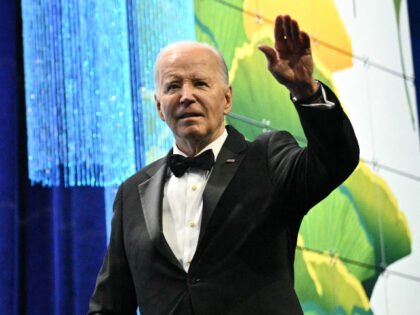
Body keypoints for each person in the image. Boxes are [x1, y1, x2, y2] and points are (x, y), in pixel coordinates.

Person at [88, 15, 359, 315]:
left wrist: (307, 92)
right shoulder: (131, 193)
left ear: (227, 99)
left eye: (200, 83)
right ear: (159, 107)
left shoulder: (267, 157)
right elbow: (110, 304)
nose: (186, 96)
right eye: (173, 86)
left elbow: (335, 160)